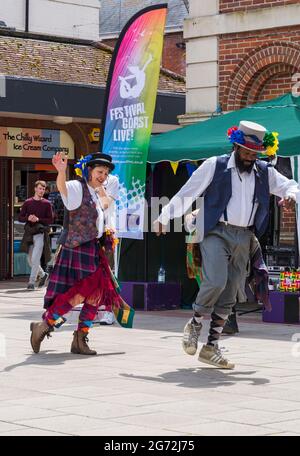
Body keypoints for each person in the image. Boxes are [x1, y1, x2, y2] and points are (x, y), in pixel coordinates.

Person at [154, 121, 299, 369]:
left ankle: (211, 347)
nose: (250, 157)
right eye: (246, 151)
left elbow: (290, 184)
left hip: (245, 236)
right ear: (236, 146)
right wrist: (164, 216)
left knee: (231, 291)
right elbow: (188, 192)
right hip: (215, 231)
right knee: (216, 280)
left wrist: (290, 196)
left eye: (254, 153)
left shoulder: (264, 171)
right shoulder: (215, 165)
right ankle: (196, 322)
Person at [30, 152, 132, 356]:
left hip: (93, 248)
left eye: (105, 173)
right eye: (99, 172)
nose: (103, 176)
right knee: (80, 294)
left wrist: (101, 186)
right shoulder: (78, 188)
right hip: (76, 248)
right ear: (89, 171)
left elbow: (105, 205)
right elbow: (63, 188)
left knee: (96, 294)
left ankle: (80, 338)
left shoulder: (96, 193)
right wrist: (60, 171)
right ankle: (44, 324)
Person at [19, 180, 54, 290]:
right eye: (40, 188)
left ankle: (31, 282)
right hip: (29, 233)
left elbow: (50, 219)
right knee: (30, 260)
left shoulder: (47, 204)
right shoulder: (28, 202)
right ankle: (43, 275)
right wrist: (27, 218)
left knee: (35, 258)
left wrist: (38, 219)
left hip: (40, 233)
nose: (41, 191)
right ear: (35, 189)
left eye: (43, 189)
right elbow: (20, 217)